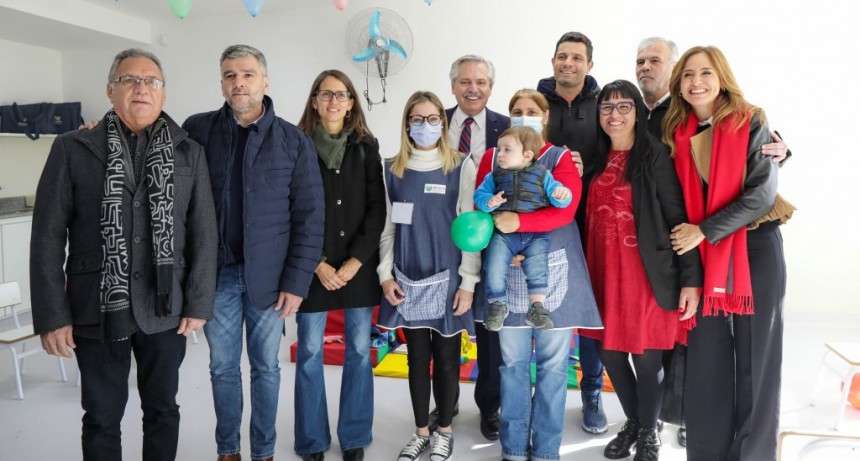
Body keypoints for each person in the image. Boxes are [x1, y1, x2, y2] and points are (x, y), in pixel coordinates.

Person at [30, 48, 218, 460]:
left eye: (151, 81)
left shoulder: (190, 152)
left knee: (163, 410)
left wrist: (199, 302)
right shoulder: (72, 147)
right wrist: (52, 315)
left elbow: (205, 233)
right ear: (111, 90)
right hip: (96, 305)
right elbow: (46, 236)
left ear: (163, 95)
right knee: (100, 416)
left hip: (165, 306)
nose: (141, 88)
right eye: (130, 80)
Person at [633, 36, 792, 448]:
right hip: (700, 256)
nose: (696, 81)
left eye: (706, 72)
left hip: (754, 248)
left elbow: (761, 195)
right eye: (687, 74)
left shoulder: (750, 119)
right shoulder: (671, 128)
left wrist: (703, 230)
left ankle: (754, 455)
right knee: (706, 362)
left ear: (722, 79)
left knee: (757, 361)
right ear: (677, 83)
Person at [182, 44, 325, 461]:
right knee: (222, 369)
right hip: (218, 276)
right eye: (229, 74)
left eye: (247, 74)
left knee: (266, 369)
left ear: (265, 80)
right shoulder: (198, 130)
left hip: (271, 280)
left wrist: (297, 283)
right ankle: (228, 450)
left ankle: (263, 452)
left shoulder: (293, 141)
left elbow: (309, 218)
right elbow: (154, 141)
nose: (238, 82)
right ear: (222, 82)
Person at [580, 80, 703, 461]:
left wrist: (691, 281)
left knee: (648, 363)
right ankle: (635, 422)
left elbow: (678, 220)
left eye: (623, 107)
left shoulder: (655, 158)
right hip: (601, 277)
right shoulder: (594, 160)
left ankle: (649, 434)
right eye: (606, 107)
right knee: (611, 356)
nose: (614, 115)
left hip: (647, 278)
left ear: (638, 111)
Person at [478, 89, 601, 461]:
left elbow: (566, 210)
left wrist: (519, 223)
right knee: (512, 365)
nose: (524, 115)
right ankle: (514, 448)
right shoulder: (492, 156)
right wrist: (505, 243)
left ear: (545, 117)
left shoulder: (560, 158)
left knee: (552, 366)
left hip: (554, 271)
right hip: (507, 270)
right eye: (516, 111)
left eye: (532, 111)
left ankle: (547, 449)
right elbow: (481, 206)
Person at [377, 91, 478, 461]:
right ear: (407, 124)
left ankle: (444, 432)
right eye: (417, 119)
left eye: (433, 118)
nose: (425, 126)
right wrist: (385, 275)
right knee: (416, 358)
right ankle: (421, 432)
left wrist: (468, 281)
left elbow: (470, 228)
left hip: (448, 278)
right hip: (408, 278)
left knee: (448, 358)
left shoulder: (460, 166)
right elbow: (388, 228)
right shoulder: (391, 168)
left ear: (443, 122)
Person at [292, 69, 386, 461]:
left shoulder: (366, 147)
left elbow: (376, 207)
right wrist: (317, 263)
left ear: (351, 103)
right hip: (312, 267)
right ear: (314, 101)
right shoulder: (295, 146)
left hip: (357, 268)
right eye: (325, 94)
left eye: (341, 94)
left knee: (360, 352)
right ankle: (312, 439)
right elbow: (289, 210)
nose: (333, 101)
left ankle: (354, 437)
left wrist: (355, 262)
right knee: (311, 352)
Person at [536, 30, 607, 434]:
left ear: (589, 65)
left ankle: (592, 391)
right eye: (562, 56)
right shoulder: (535, 102)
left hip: (589, 221)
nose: (569, 63)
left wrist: (585, 171)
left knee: (587, 311)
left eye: (577, 58)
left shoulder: (603, 104)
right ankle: (542, 390)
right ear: (553, 61)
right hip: (539, 222)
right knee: (537, 303)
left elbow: (618, 150)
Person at [441, 54, 510, 440]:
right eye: (465, 81)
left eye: (481, 82)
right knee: (445, 327)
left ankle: (490, 406)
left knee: (490, 331)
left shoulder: (508, 129)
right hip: (443, 240)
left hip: (493, 243)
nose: (473, 89)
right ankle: (446, 401)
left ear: (490, 87)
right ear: (453, 86)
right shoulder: (433, 122)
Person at [475, 126, 572, 331]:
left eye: (507, 150)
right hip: (503, 234)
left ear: (527, 155)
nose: (499, 154)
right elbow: (479, 198)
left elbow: (560, 199)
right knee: (493, 265)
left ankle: (536, 307)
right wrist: (489, 202)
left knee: (538, 268)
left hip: (536, 234)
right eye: (499, 149)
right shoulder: (494, 176)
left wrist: (563, 194)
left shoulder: (542, 174)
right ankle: (498, 303)